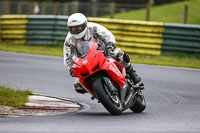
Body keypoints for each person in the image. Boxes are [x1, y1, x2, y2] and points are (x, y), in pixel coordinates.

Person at [63, 13, 141, 94]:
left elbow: (107, 35)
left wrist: (110, 45)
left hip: (103, 52)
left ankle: (132, 73)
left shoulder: (93, 28)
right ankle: (99, 93)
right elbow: (67, 57)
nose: (76, 30)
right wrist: (71, 69)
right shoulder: (69, 40)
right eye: (73, 28)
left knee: (120, 55)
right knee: (78, 86)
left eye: (78, 27)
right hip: (85, 62)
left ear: (84, 25)